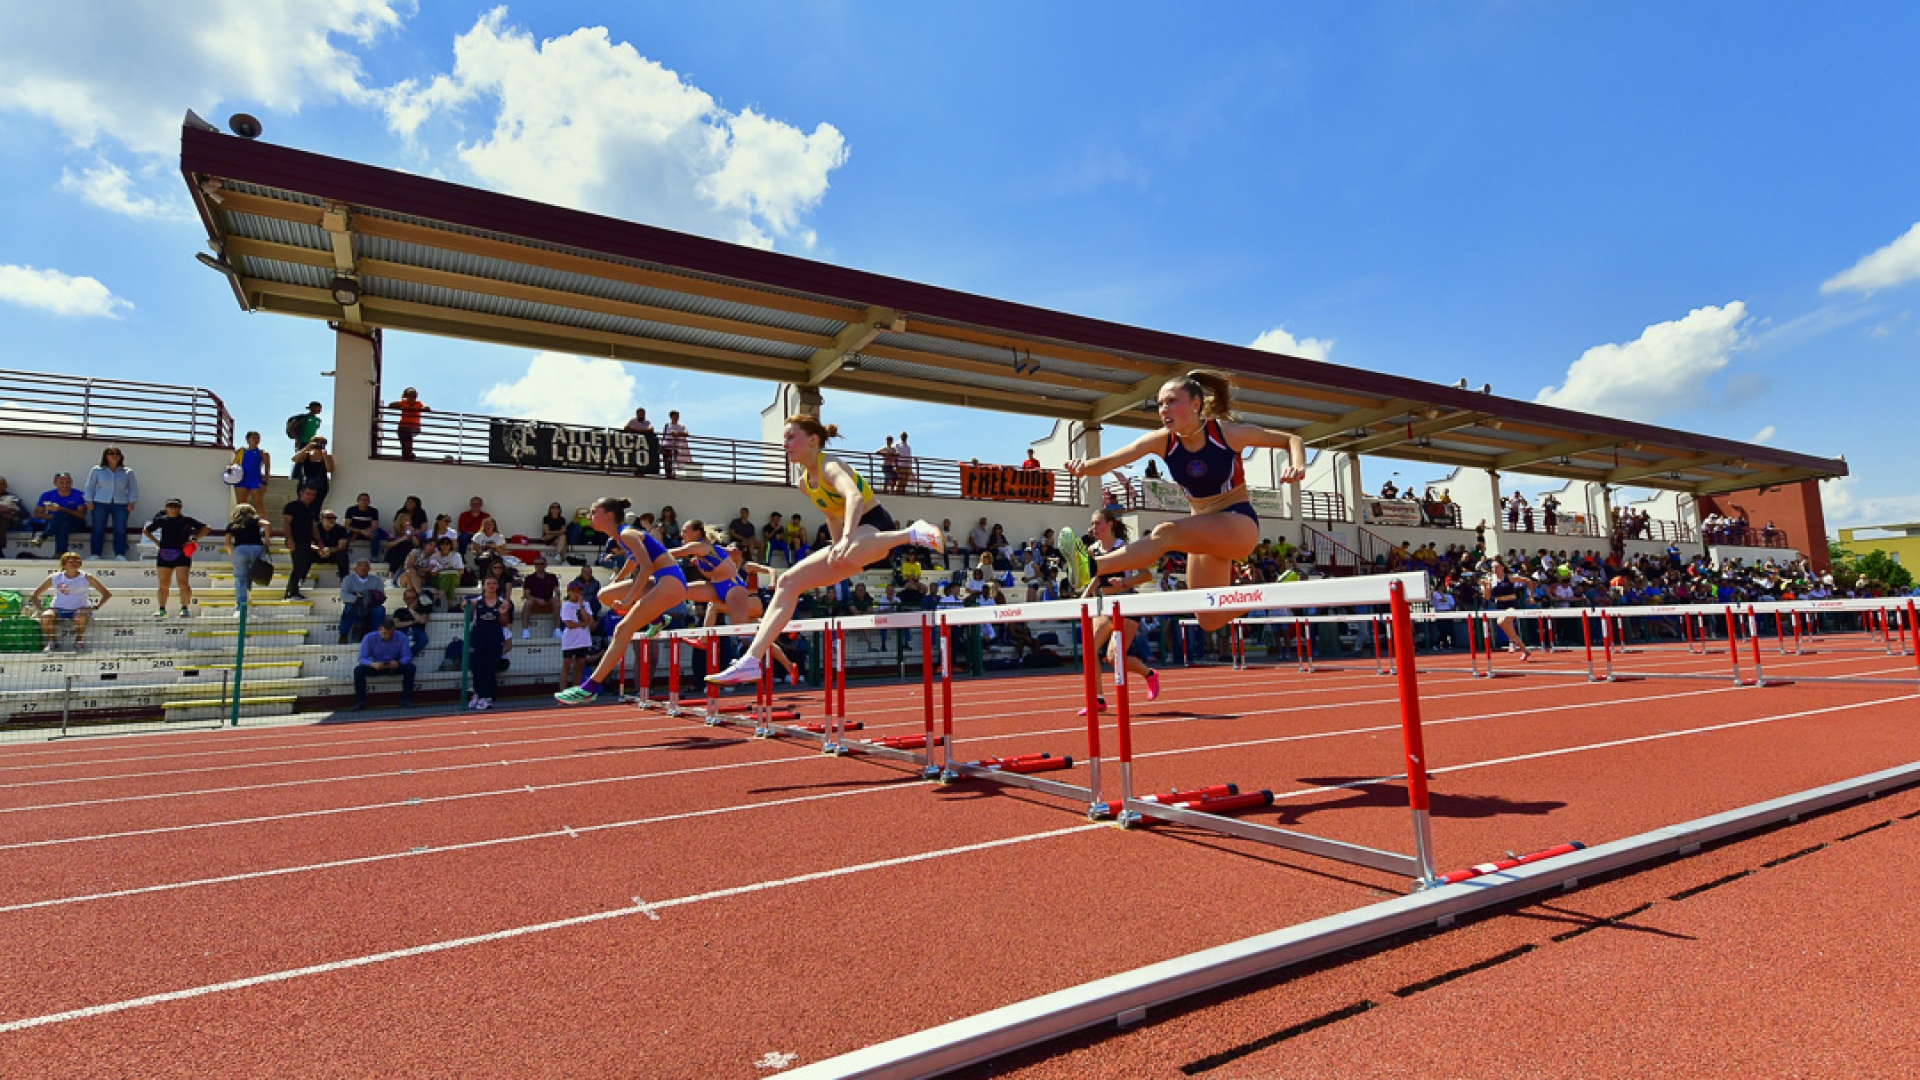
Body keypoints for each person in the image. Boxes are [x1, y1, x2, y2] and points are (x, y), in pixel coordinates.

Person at [1059, 370, 1305, 633]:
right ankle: (1275, 591)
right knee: (1208, 619)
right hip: (1204, 531)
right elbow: (1111, 462)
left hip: (1237, 524)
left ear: (1195, 405)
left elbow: (1292, 439)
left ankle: (1093, 565)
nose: (1164, 409)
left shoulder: (1228, 434)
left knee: (1166, 532)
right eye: (1160, 404)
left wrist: (1298, 466)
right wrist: (1083, 466)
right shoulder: (1163, 441)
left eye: (1171, 401)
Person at [706, 415, 942, 685]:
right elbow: (832, 515)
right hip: (854, 538)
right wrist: (835, 545)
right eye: (784, 438)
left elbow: (852, 497)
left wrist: (845, 540)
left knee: (849, 549)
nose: (785, 444)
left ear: (813, 440)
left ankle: (912, 532)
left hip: (874, 526)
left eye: (791, 437)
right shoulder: (805, 483)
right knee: (787, 582)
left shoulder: (829, 465)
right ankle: (751, 661)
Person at [554, 496, 690, 704]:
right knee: (604, 595)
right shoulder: (622, 535)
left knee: (623, 630)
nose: (588, 517)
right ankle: (657, 619)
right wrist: (617, 580)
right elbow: (633, 559)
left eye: (592, 512)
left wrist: (628, 600)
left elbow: (645, 567)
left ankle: (590, 687)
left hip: (670, 582)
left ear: (608, 516)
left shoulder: (627, 534)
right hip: (661, 579)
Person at [670, 521, 799, 682]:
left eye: (737, 550)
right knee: (761, 636)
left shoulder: (747, 566)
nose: (734, 552)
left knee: (737, 626)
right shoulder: (714, 555)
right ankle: (788, 664)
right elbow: (718, 556)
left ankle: (706, 641)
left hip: (750, 600)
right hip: (734, 597)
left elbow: (771, 569)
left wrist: (773, 582)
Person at [1078, 508, 1161, 713]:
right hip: (1106, 604)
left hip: (1127, 603)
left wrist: (1124, 582)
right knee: (1089, 650)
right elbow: (1098, 575)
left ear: (1110, 524)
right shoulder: (1093, 550)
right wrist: (1087, 592)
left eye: (1098, 523)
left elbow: (1146, 575)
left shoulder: (1124, 548)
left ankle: (1149, 674)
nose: (1094, 528)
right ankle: (1097, 699)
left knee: (1114, 657)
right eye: (1092, 523)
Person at [141, 498, 210, 618]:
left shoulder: (186, 520)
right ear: (165, 508)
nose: (173, 509)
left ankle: (184, 609)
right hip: (164, 553)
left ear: (180, 508)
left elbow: (206, 528)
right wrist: (157, 543)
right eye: (170, 506)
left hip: (181, 553)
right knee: (163, 584)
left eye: (175, 506)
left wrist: (194, 539)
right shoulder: (162, 520)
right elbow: (146, 531)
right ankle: (162, 609)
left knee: (183, 582)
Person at [29, 552, 112, 651]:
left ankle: (78, 641)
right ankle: (52, 641)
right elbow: (34, 595)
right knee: (46, 616)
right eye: (71, 561)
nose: (75, 563)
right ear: (64, 564)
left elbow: (106, 594)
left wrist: (95, 607)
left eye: (78, 560)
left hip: (80, 608)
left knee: (81, 615)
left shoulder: (86, 577)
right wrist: (41, 609)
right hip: (58, 609)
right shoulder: (55, 577)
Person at [464, 573, 513, 711]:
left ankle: (484, 697)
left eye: (494, 583)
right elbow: (468, 618)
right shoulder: (476, 601)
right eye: (488, 584)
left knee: (489, 668)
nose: (491, 586)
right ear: (484, 586)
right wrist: (468, 607)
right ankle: (477, 694)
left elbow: (504, 623)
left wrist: (503, 613)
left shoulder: (502, 602)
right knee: (476, 667)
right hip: (478, 637)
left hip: (494, 637)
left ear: (497, 586)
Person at [85, 446, 139, 560]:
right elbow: (90, 486)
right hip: (100, 502)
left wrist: (132, 501)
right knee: (98, 528)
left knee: (120, 529)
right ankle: (95, 554)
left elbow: (132, 488)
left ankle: (120, 554)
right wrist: (89, 500)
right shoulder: (97, 470)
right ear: (105, 456)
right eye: (111, 453)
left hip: (121, 502)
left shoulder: (127, 472)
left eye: (117, 454)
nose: (114, 456)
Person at [351, 619, 416, 710]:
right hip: (376, 666)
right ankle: (360, 701)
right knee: (358, 670)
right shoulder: (369, 638)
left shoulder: (402, 637)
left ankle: (406, 699)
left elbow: (407, 656)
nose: (387, 636)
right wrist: (372, 664)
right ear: (380, 629)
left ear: (394, 630)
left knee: (410, 668)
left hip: (393, 666)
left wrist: (398, 663)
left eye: (390, 633)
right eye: (385, 633)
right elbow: (361, 658)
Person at [222, 504, 268, 614]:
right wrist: (267, 539)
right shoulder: (255, 521)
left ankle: (241, 606)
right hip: (257, 548)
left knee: (240, 578)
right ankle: (248, 596)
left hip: (240, 549)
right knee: (252, 574)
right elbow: (267, 524)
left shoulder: (232, 525)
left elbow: (227, 544)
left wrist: (232, 554)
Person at [1483, 560, 1530, 660]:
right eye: (1492, 568)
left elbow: (1528, 581)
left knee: (1501, 622)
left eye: (1497, 567)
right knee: (1510, 631)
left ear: (1502, 567)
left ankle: (1512, 641)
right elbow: (1487, 597)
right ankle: (1525, 650)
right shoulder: (1491, 580)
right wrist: (1485, 586)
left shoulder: (1509, 577)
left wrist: (1531, 596)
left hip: (1511, 604)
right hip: (1500, 605)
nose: (1494, 569)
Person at [281, 486, 320, 600]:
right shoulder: (291, 507)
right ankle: (292, 592)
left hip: (307, 541)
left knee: (306, 563)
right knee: (298, 566)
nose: (310, 497)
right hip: (296, 540)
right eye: (308, 493)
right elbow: (286, 523)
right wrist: (289, 539)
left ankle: (291, 589)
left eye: (313, 494)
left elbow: (313, 525)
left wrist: (319, 540)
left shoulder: (312, 508)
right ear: (301, 493)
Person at [339, 559, 388, 645]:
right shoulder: (348, 579)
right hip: (355, 604)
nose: (363, 567)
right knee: (349, 609)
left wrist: (367, 597)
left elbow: (381, 595)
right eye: (360, 565)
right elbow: (344, 594)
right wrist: (358, 599)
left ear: (369, 569)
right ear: (355, 569)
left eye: (365, 565)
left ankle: (375, 635)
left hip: (371, 605)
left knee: (380, 610)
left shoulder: (376, 580)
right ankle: (343, 634)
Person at [558, 580, 594, 689]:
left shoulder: (586, 604)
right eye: (574, 591)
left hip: (583, 640)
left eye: (579, 591)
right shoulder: (566, 606)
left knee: (579, 666)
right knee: (567, 666)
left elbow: (590, 619)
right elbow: (569, 624)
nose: (576, 593)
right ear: (569, 592)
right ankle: (562, 691)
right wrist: (584, 623)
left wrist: (581, 606)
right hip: (570, 640)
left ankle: (575, 690)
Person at [229, 431, 270, 517]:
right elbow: (234, 464)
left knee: (259, 505)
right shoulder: (241, 451)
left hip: (255, 480)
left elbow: (267, 469)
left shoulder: (263, 453)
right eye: (254, 437)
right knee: (241, 506)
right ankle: (241, 527)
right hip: (242, 480)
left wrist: (265, 482)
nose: (256, 440)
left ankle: (264, 528)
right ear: (248, 439)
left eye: (258, 437)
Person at [520, 556, 559, 636]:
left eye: (541, 564)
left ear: (545, 565)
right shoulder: (529, 578)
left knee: (557, 602)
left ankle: (557, 629)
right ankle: (525, 630)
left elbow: (556, 590)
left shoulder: (552, 577)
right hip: (535, 604)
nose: (539, 566)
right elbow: (526, 594)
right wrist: (537, 599)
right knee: (528, 603)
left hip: (548, 602)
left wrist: (557, 596)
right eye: (537, 564)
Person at [290, 437, 334, 509]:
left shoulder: (327, 457)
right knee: (302, 504)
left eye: (322, 444)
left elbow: (330, 469)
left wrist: (325, 457)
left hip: (320, 485)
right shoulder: (306, 455)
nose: (319, 446)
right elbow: (294, 459)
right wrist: (307, 448)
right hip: (305, 484)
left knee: (316, 506)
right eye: (317, 444)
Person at [387, 387, 429, 461]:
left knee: (408, 435)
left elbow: (426, 408)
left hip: (414, 427)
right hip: (403, 427)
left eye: (414, 396)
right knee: (404, 439)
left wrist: (424, 408)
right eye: (410, 396)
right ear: (407, 396)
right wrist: (401, 402)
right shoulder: (404, 403)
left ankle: (408, 454)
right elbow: (390, 405)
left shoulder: (418, 404)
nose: (412, 398)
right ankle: (407, 456)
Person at [391, 587, 432, 656]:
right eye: (408, 598)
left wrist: (411, 609)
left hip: (417, 630)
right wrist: (412, 622)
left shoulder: (423, 609)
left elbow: (422, 620)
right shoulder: (399, 611)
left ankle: (407, 656)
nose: (411, 600)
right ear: (404, 599)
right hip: (403, 630)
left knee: (424, 639)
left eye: (413, 598)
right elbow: (396, 624)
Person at [313, 509, 353, 579]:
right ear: (321, 519)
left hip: (333, 554)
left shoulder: (341, 529)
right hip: (318, 554)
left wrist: (329, 550)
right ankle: (300, 577)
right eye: (329, 518)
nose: (332, 520)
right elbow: (308, 544)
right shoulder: (314, 529)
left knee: (342, 554)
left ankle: (344, 580)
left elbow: (342, 546)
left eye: (334, 518)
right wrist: (319, 550)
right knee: (304, 552)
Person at [427, 536, 465, 608]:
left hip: (455, 578)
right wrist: (442, 572)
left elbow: (461, 571)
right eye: (442, 544)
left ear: (450, 545)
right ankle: (450, 607)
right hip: (438, 580)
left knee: (450, 578)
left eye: (447, 544)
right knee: (449, 578)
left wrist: (451, 572)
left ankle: (439, 598)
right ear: (439, 545)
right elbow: (433, 574)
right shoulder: (434, 556)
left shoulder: (456, 555)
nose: (445, 546)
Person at [344, 493, 384, 558]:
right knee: (344, 536)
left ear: (369, 502)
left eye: (366, 500)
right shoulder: (351, 510)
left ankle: (374, 557)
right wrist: (360, 531)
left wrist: (365, 532)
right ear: (357, 501)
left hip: (368, 532)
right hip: (354, 532)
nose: (364, 502)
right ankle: (345, 556)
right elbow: (347, 525)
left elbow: (374, 525)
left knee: (375, 535)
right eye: (362, 500)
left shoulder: (373, 511)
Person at [662, 410, 690, 478]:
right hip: (666, 446)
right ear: (671, 417)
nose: (677, 418)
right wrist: (661, 445)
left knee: (673, 462)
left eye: (678, 416)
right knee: (667, 463)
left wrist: (677, 433)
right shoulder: (667, 425)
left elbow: (687, 433)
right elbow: (663, 435)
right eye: (676, 416)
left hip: (675, 447)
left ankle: (672, 475)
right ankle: (668, 475)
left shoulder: (681, 426)